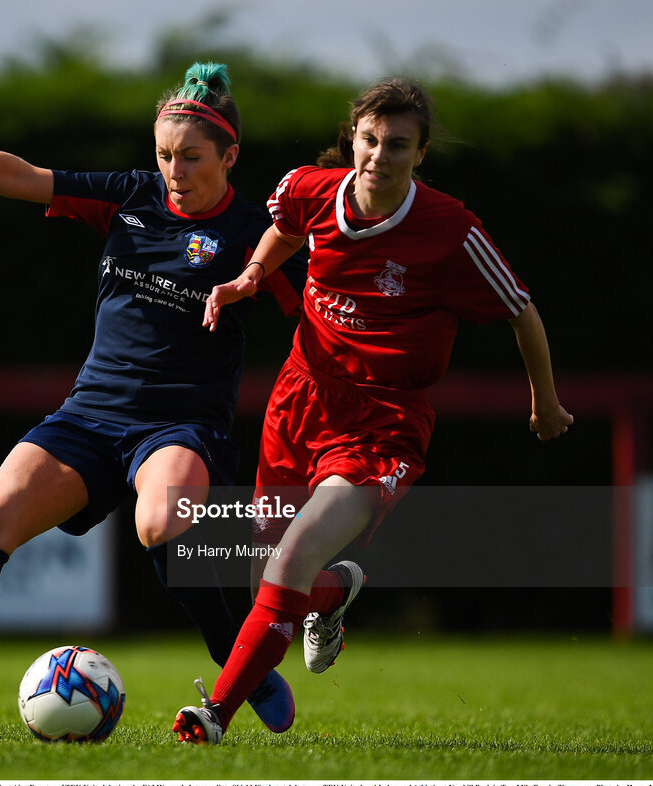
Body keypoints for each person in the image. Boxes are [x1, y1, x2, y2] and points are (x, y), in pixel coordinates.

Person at [0, 62, 304, 738]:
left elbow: (322, 297)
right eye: (164, 154)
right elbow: (21, 175)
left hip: (180, 426)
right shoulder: (131, 196)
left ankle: (237, 657)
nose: (174, 169)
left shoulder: (255, 233)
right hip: (89, 415)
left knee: (162, 523)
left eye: (191, 156)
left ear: (230, 156)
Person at [171, 77, 574, 744]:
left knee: (289, 560)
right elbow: (284, 229)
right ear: (350, 139)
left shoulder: (452, 231)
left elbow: (521, 309)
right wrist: (249, 276)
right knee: (267, 583)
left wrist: (546, 399)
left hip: (382, 422)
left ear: (420, 155)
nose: (379, 156)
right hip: (299, 401)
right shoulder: (307, 189)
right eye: (369, 140)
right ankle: (331, 593)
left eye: (398, 145)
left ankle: (213, 715)